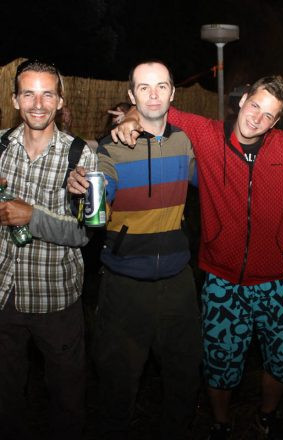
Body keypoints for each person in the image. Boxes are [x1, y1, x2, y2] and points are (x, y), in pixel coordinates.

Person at [111, 76, 283, 440]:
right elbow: (157, 108)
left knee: (280, 360)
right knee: (219, 362)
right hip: (221, 278)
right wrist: (131, 115)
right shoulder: (207, 134)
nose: (258, 119)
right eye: (255, 106)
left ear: (276, 121)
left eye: (269, 115)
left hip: (276, 279)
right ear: (243, 100)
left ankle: (267, 415)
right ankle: (220, 422)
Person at [67, 60, 201, 440]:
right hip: (123, 285)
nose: (153, 95)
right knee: (116, 384)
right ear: (132, 95)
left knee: (184, 378)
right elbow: (101, 189)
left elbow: (213, 180)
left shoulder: (186, 142)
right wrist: (83, 191)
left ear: (173, 93)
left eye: (161, 86)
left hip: (178, 283)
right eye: (144, 87)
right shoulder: (111, 147)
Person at [0, 59, 97, 440]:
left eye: (47, 94)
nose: (38, 104)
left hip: (54, 297)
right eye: (28, 94)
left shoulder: (80, 156)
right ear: (15, 99)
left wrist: (31, 216)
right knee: (6, 395)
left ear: (60, 101)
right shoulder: (0, 147)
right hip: (4, 295)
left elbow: (83, 234)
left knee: (67, 398)